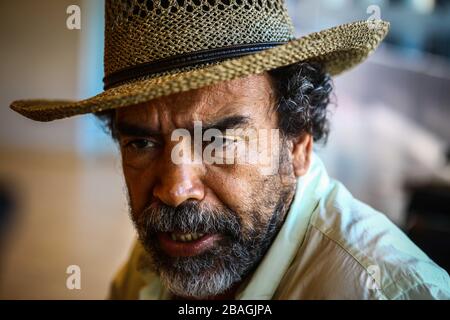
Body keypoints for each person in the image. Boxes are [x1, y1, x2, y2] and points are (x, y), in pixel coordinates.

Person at [10, 0, 450, 299]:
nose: (175, 189)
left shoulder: (380, 288)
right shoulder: (162, 255)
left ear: (297, 142)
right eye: (142, 142)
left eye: (219, 140)